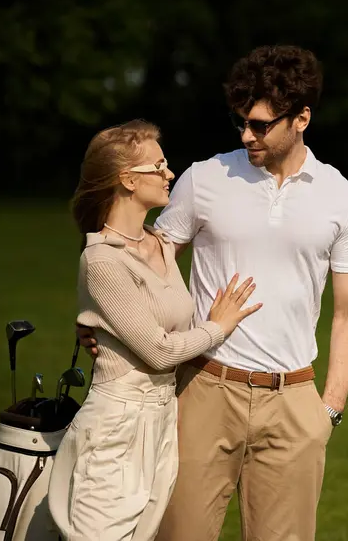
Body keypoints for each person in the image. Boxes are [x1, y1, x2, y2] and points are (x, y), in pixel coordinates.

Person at [79, 46, 348, 541]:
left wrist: (328, 410)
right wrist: (106, 318)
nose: (246, 135)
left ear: (302, 117)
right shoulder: (205, 178)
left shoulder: (344, 198)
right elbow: (146, 264)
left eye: (260, 124)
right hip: (202, 392)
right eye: (240, 122)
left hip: (294, 400)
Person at [48, 120, 262, 541]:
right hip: (116, 427)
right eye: (159, 166)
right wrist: (217, 328)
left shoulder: (161, 244)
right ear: (128, 180)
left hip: (162, 421)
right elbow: (160, 351)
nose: (170, 174)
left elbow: (149, 322)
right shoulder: (103, 261)